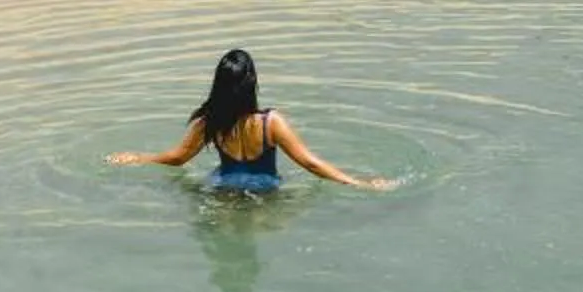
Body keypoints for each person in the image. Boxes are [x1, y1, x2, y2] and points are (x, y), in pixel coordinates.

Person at [109, 48, 392, 193]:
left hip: (221, 192)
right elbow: (310, 164)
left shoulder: (209, 123)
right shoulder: (271, 123)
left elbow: (177, 158)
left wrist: (137, 157)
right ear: (252, 83)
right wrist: (358, 183)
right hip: (265, 197)